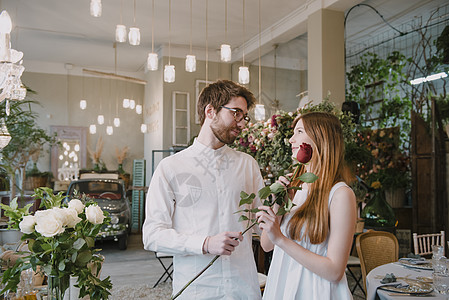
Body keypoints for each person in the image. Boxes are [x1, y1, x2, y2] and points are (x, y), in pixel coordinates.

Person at [142, 79, 264, 299]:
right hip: (197, 289)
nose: (242, 123)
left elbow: (262, 227)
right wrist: (205, 243)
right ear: (210, 111)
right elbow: (152, 235)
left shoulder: (248, 165)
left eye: (244, 116)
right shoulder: (170, 168)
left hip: (243, 288)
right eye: (236, 113)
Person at [256, 111, 356, 299]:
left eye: (299, 131)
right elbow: (266, 245)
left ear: (321, 138)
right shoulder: (296, 188)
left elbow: (334, 271)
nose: (291, 139)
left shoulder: (340, 195)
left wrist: (281, 240)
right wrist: (279, 204)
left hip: (315, 291)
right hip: (283, 285)